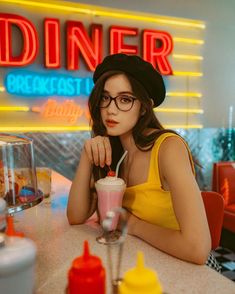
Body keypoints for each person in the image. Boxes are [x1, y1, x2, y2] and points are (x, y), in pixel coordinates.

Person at [67, 53, 220, 271]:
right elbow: (76, 216)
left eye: (125, 99)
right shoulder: (112, 152)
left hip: (195, 271)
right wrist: (87, 153)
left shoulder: (168, 148)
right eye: (105, 97)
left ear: (144, 107)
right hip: (147, 261)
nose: (111, 109)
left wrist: (131, 224)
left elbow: (197, 249)